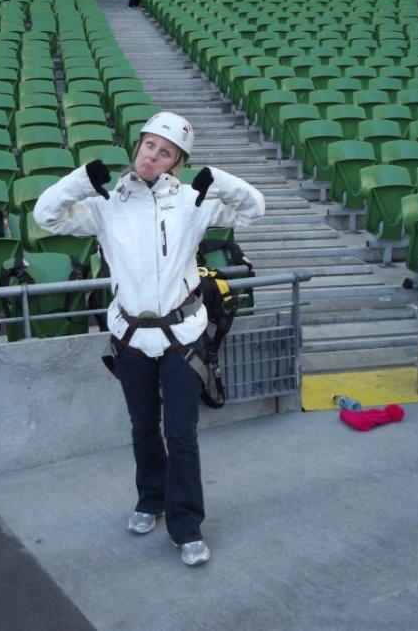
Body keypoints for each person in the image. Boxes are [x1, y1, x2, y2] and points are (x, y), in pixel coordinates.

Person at [33, 112, 265, 566]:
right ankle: (150, 500)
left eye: (166, 152)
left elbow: (254, 209)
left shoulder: (193, 203)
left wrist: (219, 180)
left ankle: (187, 525)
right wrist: (79, 182)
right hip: (131, 337)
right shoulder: (106, 203)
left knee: (181, 434)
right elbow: (46, 217)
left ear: (176, 162)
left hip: (182, 336)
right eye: (149, 146)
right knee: (142, 428)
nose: (153, 156)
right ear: (136, 146)